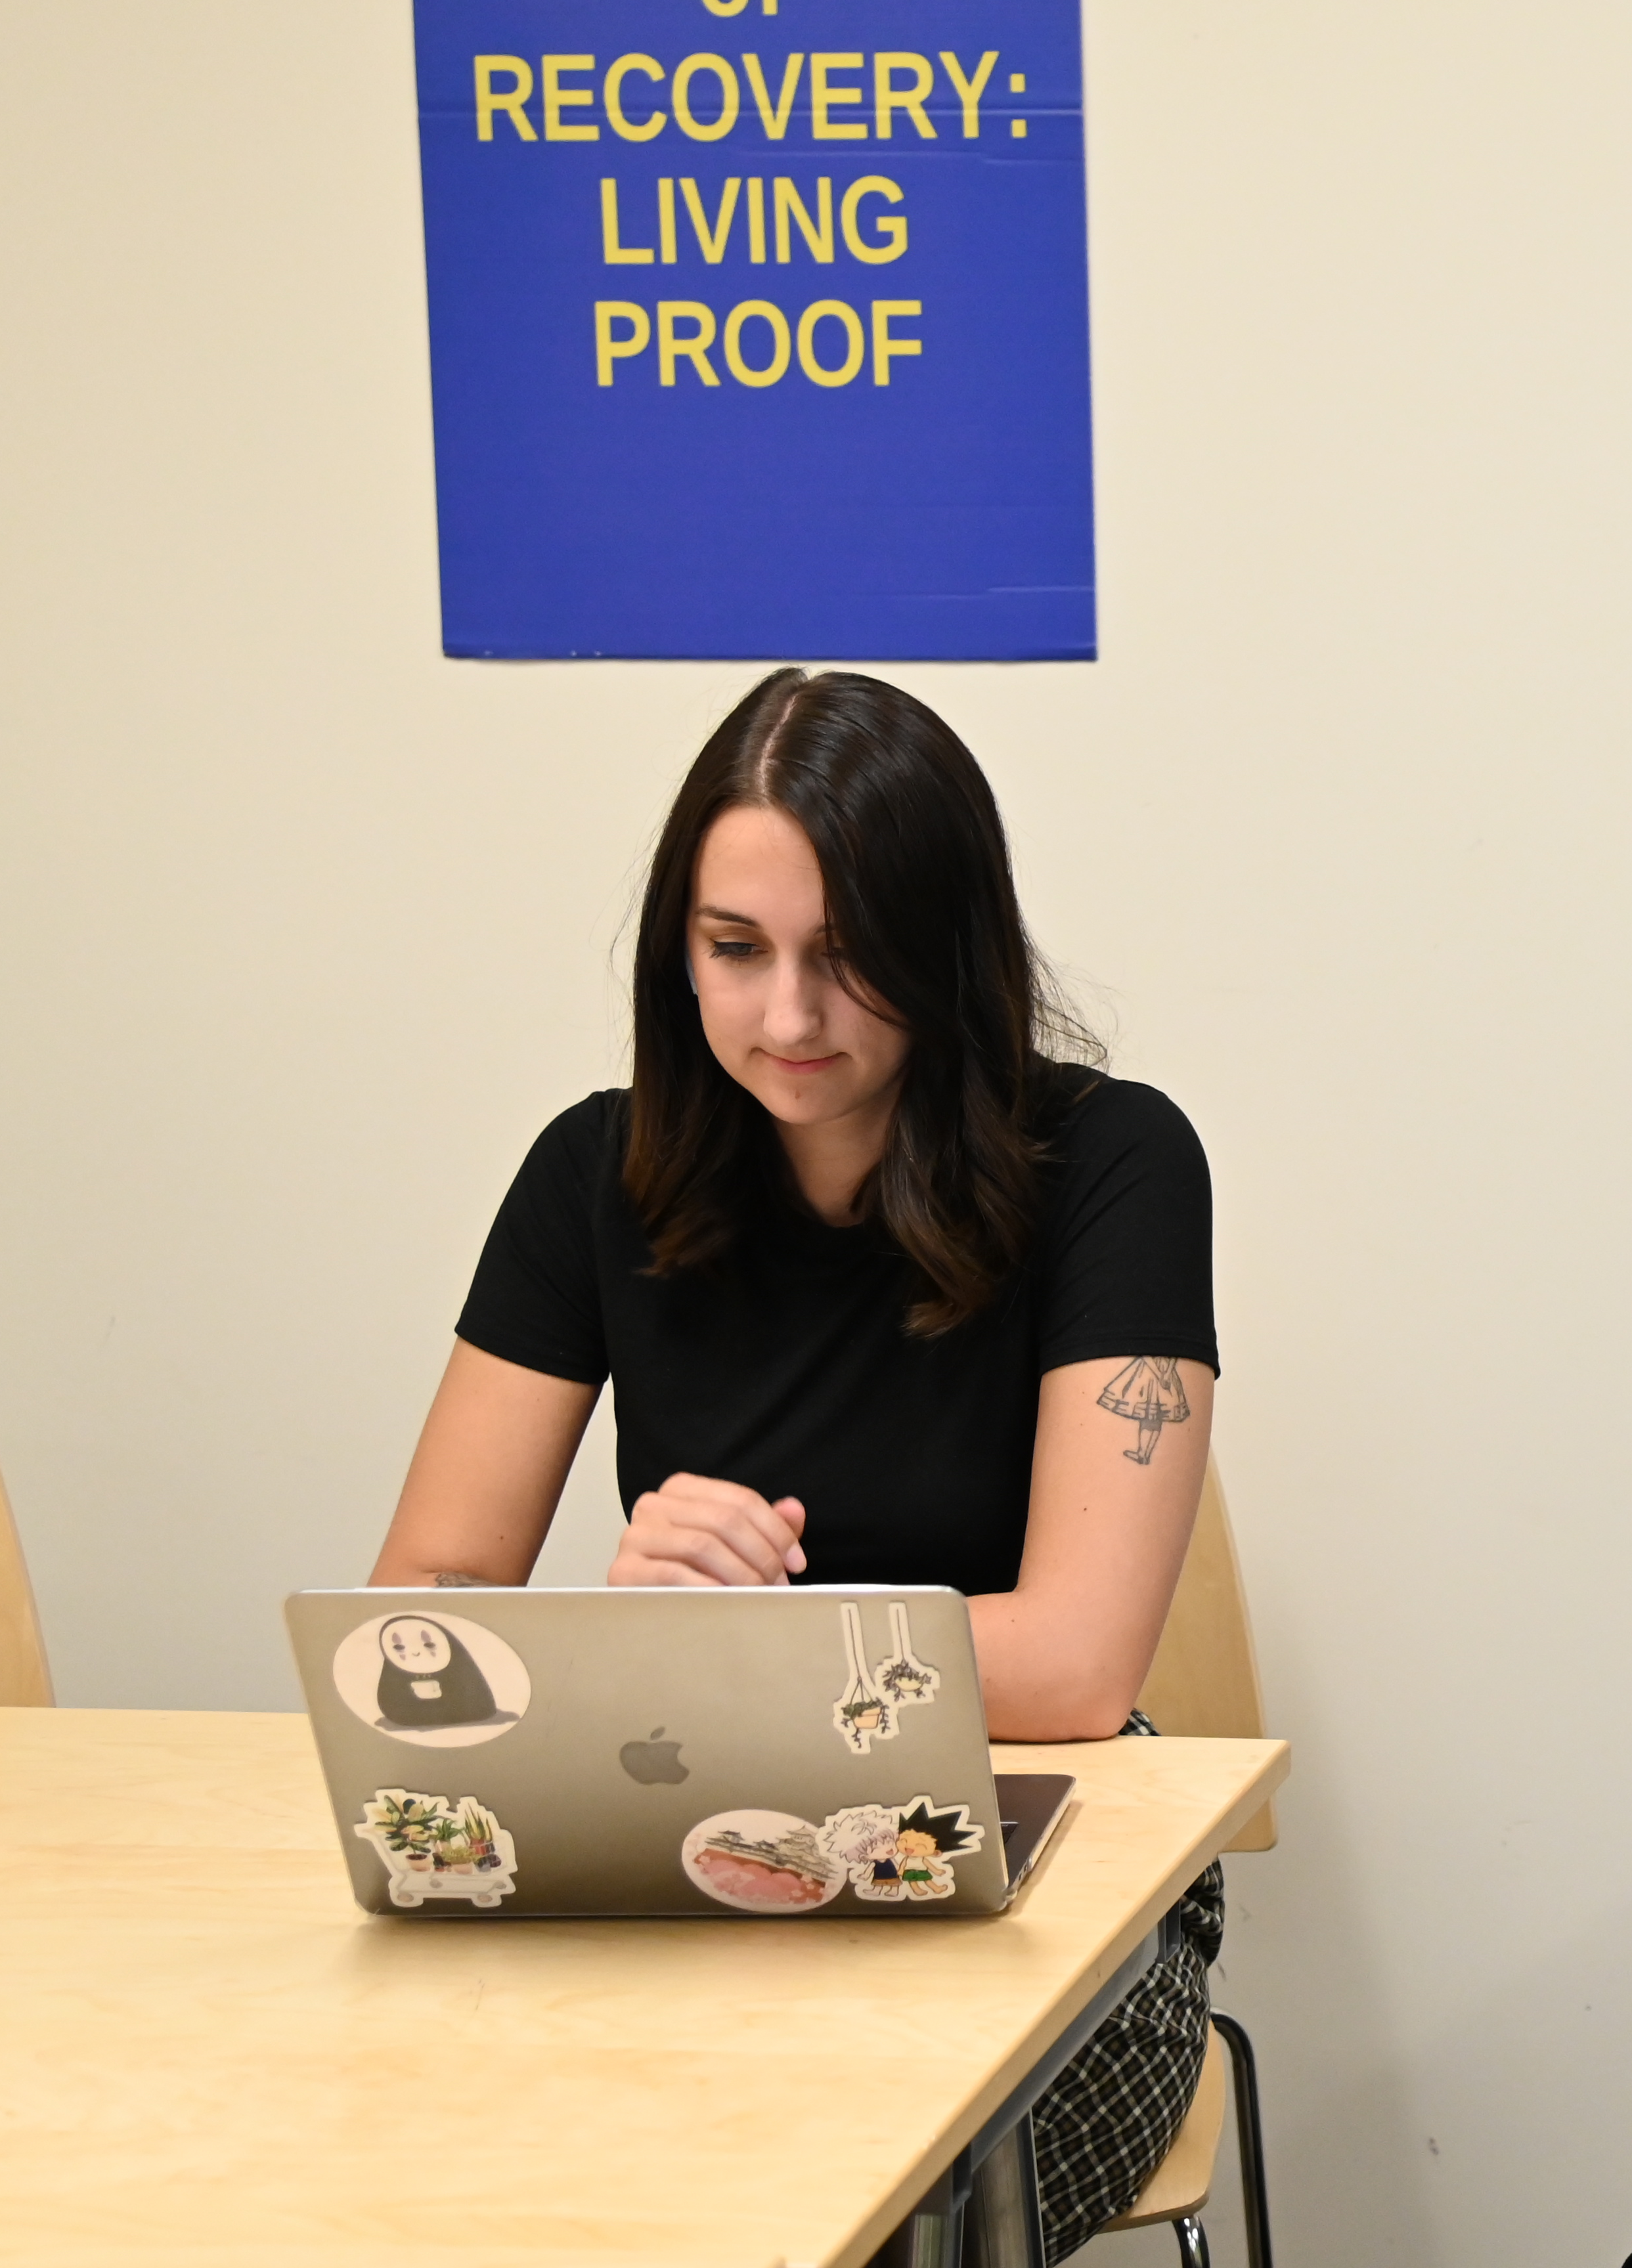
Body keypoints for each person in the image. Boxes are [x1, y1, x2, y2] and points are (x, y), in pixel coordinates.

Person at [367, 667, 1222, 2264]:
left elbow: (1080, 1666)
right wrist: (620, 1630)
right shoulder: (591, 1175)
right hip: (706, 1859)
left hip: (1057, 1887)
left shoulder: (1117, 1164)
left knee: (840, 2170)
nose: (788, 1018)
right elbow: (420, 1607)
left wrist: (727, 1650)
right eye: (735, 950)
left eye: (849, 957)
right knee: (466, 2122)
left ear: (948, 946)